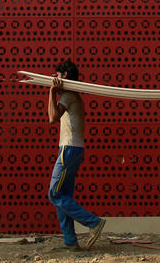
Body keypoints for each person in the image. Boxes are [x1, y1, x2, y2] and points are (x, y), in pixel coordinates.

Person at [47, 59, 106, 251]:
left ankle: (93, 223)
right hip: (74, 149)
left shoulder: (69, 94)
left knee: (55, 193)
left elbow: (53, 118)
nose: (54, 77)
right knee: (64, 195)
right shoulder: (74, 96)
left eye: (57, 74)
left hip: (69, 149)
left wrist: (52, 92)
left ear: (64, 76)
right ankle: (70, 241)